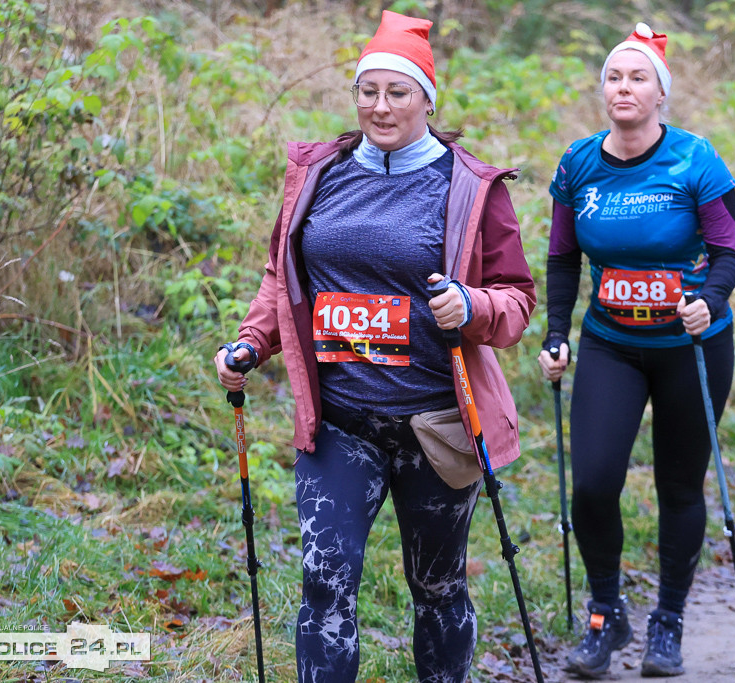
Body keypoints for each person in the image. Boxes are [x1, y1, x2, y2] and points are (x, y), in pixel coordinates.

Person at [213, 11, 535, 682]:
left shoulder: (469, 187)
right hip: (339, 423)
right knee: (325, 581)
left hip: (437, 426)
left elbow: (516, 299)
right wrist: (251, 342)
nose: (380, 106)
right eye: (368, 91)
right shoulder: (318, 174)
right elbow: (282, 275)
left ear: (427, 99)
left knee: (437, 586)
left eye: (397, 92)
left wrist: (473, 305)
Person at [538, 23, 735, 678]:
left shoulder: (695, 159)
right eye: (613, 77)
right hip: (612, 343)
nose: (622, 87)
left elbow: (730, 250)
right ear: (604, 90)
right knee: (594, 484)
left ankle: (669, 619)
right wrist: (555, 332)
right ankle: (605, 613)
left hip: (691, 344)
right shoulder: (578, 164)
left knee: (679, 484)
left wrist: (708, 298)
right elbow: (564, 258)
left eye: (637, 77)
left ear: (660, 94)